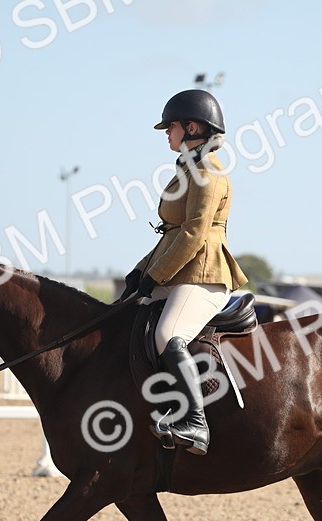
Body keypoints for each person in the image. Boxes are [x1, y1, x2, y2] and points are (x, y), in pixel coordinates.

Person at [119, 89, 249, 455]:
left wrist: (154, 276)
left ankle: (195, 423)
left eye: (171, 126)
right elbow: (172, 234)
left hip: (204, 274)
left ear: (191, 127)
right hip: (181, 271)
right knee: (128, 316)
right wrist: (139, 273)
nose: (166, 133)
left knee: (167, 333)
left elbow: (193, 234)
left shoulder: (208, 173)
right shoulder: (190, 169)